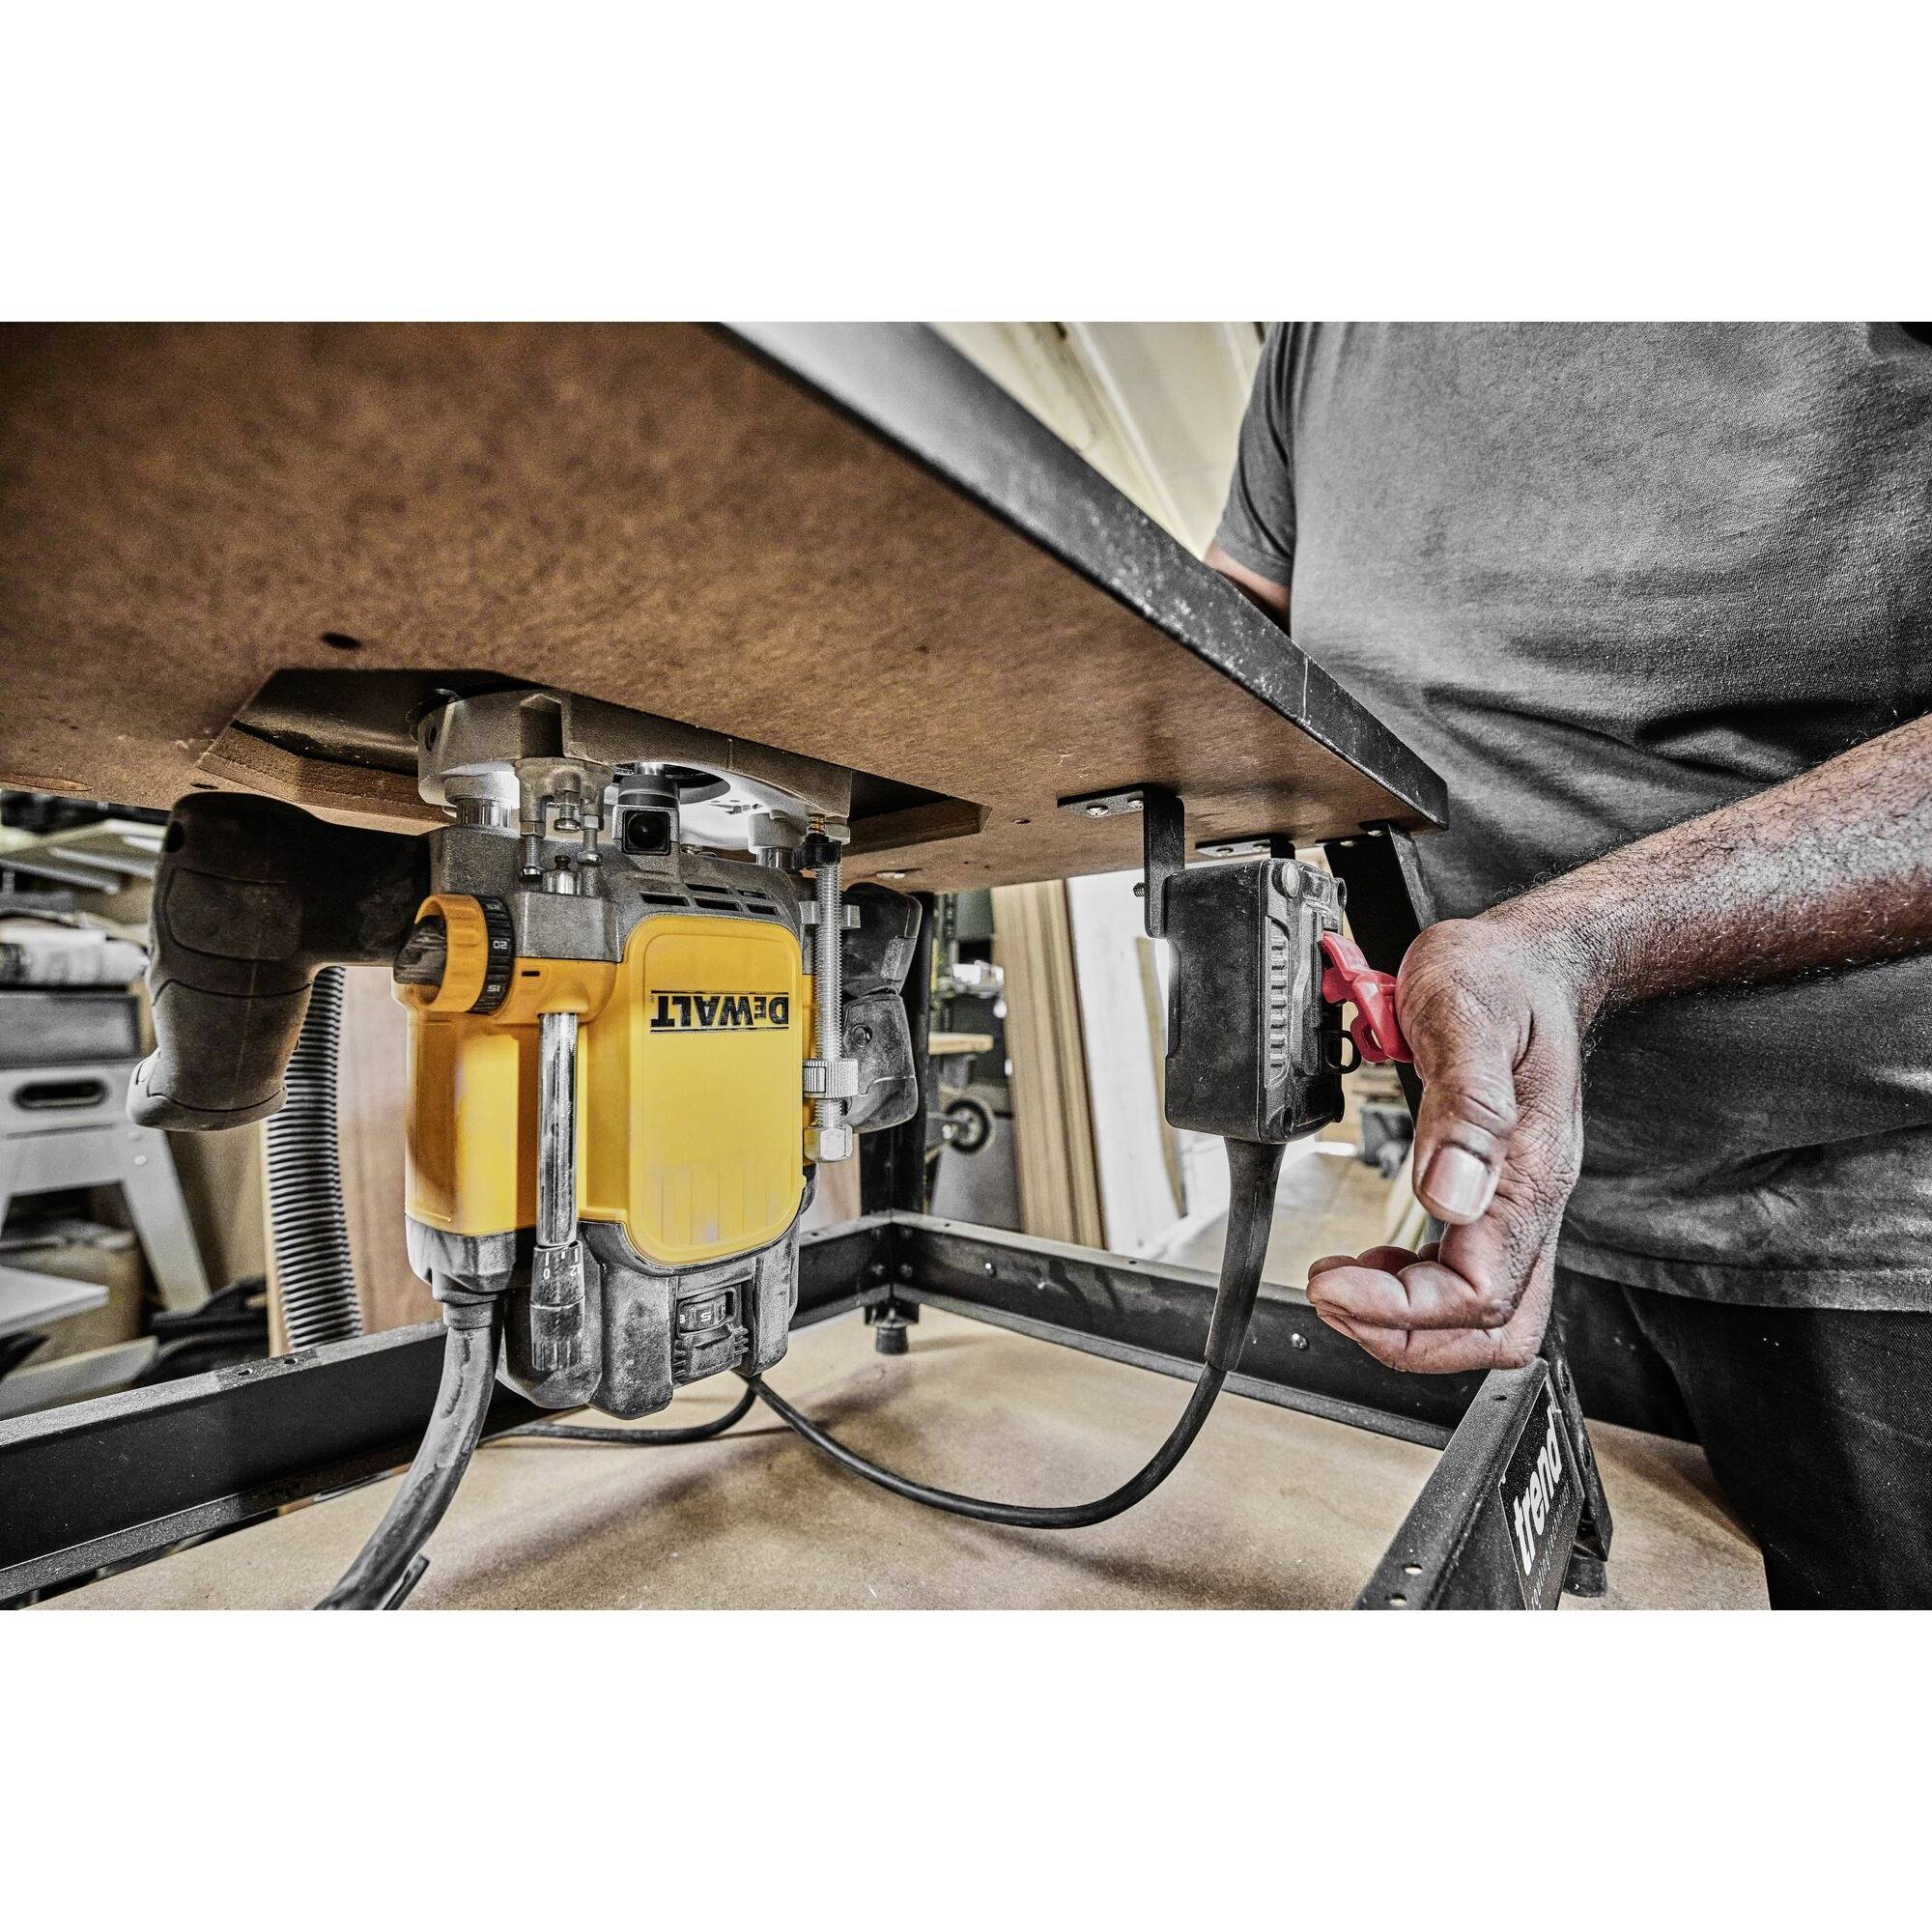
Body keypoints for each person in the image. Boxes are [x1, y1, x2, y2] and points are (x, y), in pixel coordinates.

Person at [1206, 324, 1932, 1607]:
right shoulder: (1322, 331)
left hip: (1883, 1240)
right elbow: (1223, 645)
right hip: (1533, 1204)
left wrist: (1580, 943)